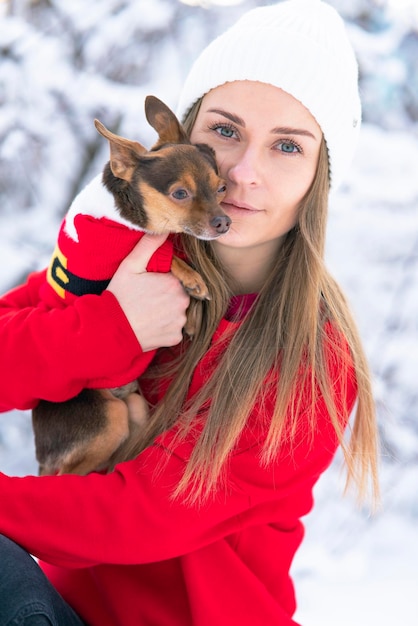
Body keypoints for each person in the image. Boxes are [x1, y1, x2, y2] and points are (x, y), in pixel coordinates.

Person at [0, 1, 379, 625]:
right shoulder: (125, 265)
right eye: (225, 132)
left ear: (319, 177)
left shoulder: (312, 357)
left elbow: (141, 518)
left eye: (287, 146)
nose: (242, 173)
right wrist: (112, 327)